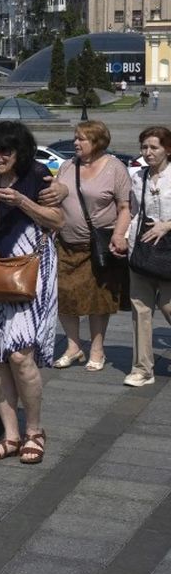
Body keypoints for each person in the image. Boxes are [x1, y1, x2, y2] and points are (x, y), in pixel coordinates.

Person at [0, 121, 62, 465]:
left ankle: (34, 430)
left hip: (33, 268)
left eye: (4, 150)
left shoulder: (37, 175)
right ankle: (10, 435)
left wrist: (22, 201)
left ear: (19, 152)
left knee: (21, 355)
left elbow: (57, 221)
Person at [52, 121, 131, 371]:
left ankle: (97, 349)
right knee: (63, 296)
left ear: (97, 142)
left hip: (98, 246)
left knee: (99, 300)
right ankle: (73, 347)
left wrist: (120, 235)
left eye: (81, 139)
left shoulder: (115, 168)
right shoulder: (67, 166)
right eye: (75, 138)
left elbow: (124, 207)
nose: (75, 142)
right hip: (65, 243)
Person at [126, 126, 171, 387]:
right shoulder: (138, 176)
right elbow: (133, 211)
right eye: (144, 147)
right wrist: (124, 238)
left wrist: (167, 225)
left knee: (167, 306)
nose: (148, 152)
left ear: (167, 149)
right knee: (140, 309)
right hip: (141, 247)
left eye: (154, 147)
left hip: (167, 248)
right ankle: (142, 368)